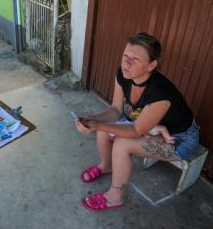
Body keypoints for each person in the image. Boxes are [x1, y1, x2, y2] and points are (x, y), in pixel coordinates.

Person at [74, 32, 199, 211]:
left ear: (152, 65)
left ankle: (115, 197)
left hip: (178, 139)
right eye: (125, 56)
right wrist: (91, 120)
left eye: (135, 59)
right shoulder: (123, 74)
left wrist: (98, 125)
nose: (126, 62)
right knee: (104, 130)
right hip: (150, 128)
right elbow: (116, 110)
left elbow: (136, 131)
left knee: (122, 143)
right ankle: (106, 166)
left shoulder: (160, 93)